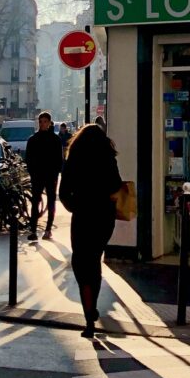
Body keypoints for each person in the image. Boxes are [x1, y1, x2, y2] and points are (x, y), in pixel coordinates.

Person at [59, 122, 122, 337]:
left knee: (81, 262)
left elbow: (64, 193)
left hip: (83, 215)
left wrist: (76, 206)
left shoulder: (73, 160)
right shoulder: (108, 158)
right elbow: (116, 185)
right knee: (94, 260)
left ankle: (89, 315)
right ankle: (92, 308)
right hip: (104, 216)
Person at [25, 111, 62, 241]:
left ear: (49, 123)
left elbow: (59, 159)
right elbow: (28, 158)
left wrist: (56, 173)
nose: (42, 124)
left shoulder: (55, 139)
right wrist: (32, 172)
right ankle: (33, 230)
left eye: (45, 121)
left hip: (51, 176)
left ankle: (48, 229)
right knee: (35, 202)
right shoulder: (33, 139)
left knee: (51, 201)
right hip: (37, 175)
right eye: (41, 122)